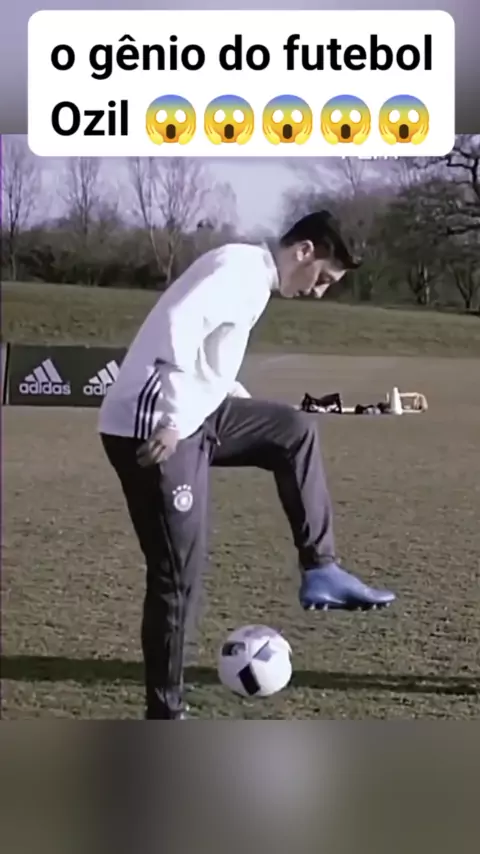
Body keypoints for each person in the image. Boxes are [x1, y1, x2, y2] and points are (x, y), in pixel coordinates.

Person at [98, 210, 396, 719]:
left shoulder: (252, 279)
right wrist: (171, 420)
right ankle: (165, 714)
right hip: (151, 428)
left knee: (292, 430)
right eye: (324, 278)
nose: (319, 292)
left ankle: (321, 568)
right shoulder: (239, 271)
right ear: (304, 251)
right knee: (177, 577)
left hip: (196, 417)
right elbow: (178, 327)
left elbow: (210, 360)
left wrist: (238, 404)